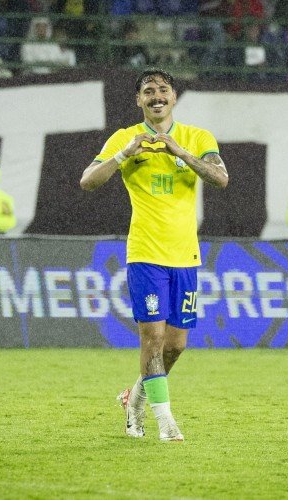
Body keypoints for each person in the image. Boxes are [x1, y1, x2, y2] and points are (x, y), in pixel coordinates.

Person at [79, 69, 228, 442]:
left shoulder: (197, 137)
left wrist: (181, 153)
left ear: (174, 97)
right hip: (145, 253)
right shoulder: (127, 138)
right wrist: (123, 155)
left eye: (163, 90)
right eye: (148, 91)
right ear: (139, 101)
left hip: (186, 256)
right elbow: (88, 180)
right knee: (153, 339)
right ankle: (165, 422)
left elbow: (221, 178)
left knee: (176, 345)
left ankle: (134, 398)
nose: (156, 96)